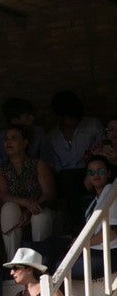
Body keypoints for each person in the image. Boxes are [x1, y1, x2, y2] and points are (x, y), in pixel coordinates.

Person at [0, 123, 57, 261]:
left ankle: (39, 261)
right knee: (9, 208)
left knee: (40, 216)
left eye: (14, 138)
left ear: (25, 143)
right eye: (7, 139)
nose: (8, 142)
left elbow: (48, 194)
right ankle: (13, 262)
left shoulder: (39, 164)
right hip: (15, 211)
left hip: (39, 207)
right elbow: (3, 196)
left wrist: (29, 210)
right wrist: (26, 203)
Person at [44, 90, 105, 220]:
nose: (74, 120)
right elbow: (52, 164)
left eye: (77, 116)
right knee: (67, 179)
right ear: (60, 116)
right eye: (69, 117)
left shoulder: (93, 125)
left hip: (88, 172)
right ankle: (77, 227)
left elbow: (102, 150)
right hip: (64, 179)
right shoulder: (51, 136)